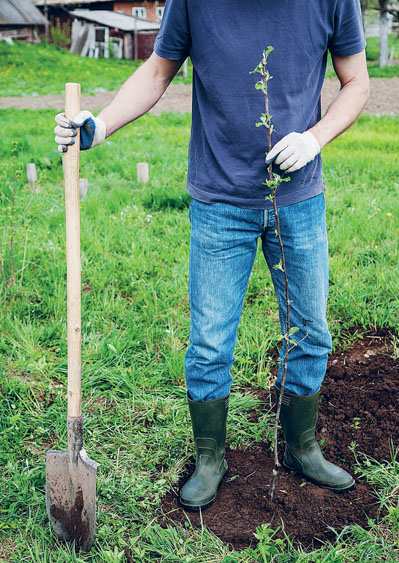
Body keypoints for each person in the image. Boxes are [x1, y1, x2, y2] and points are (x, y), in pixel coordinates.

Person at [55, 0, 370, 511]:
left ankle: (301, 447)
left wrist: (315, 139)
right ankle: (210, 459)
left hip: (299, 201)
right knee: (209, 343)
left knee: (310, 332)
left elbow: (356, 81)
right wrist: (103, 123)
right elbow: (159, 69)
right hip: (220, 202)